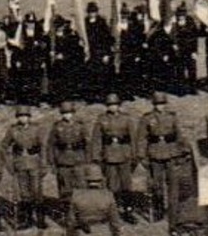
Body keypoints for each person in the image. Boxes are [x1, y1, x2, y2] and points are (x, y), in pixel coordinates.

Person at [91, 93, 140, 223]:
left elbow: (133, 139)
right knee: (112, 186)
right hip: (109, 156)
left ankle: (128, 210)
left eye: (115, 105)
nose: (113, 107)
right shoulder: (101, 119)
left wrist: (135, 156)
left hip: (124, 154)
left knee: (126, 185)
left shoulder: (127, 119)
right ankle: (113, 211)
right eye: (110, 105)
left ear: (119, 106)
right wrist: (96, 156)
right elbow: (96, 139)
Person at [140, 91, 186, 223]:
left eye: (162, 103)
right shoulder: (147, 118)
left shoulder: (172, 117)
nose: (160, 106)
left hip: (171, 154)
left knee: (173, 185)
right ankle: (158, 211)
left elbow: (179, 135)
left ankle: (173, 212)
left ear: (166, 104)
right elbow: (142, 138)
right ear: (153, 105)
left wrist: (182, 151)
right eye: (157, 104)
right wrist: (141, 156)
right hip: (155, 154)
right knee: (157, 186)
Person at [3, 105, 49, 230]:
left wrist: (44, 164)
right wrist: (9, 164)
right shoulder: (12, 130)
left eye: (25, 116)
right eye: (20, 116)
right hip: (20, 163)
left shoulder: (37, 129)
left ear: (29, 117)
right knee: (24, 194)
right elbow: (4, 146)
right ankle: (27, 220)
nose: (23, 119)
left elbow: (43, 147)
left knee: (37, 192)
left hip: (34, 162)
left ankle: (40, 220)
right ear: (17, 118)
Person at [64, 164, 121, 236]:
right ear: (101, 180)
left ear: (86, 180)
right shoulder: (108, 196)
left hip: (83, 234)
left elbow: (70, 222)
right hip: (103, 235)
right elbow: (115, 222)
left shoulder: (77, 196)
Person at [48, 101, 92, 197]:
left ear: (73, 113)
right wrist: (52, 162)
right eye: (64, 113)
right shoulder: (57, 126)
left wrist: (88, 160)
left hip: (78, 159)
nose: (67, 115)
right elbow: (51, 144)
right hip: (63, 160)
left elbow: (88, 143)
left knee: (81, 185)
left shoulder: (80, 125)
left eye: (68, 113)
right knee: (65, 187)